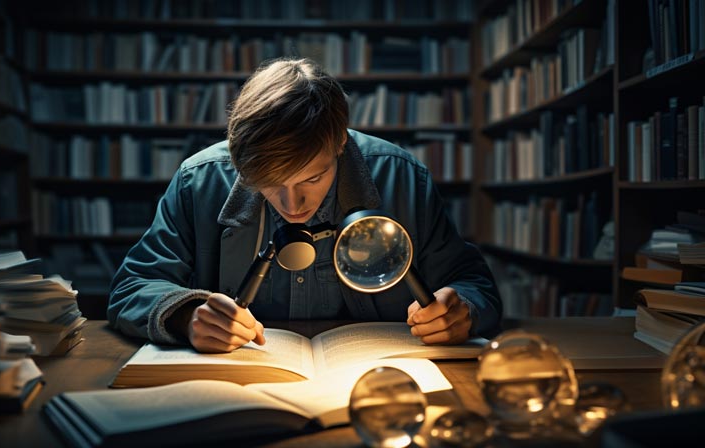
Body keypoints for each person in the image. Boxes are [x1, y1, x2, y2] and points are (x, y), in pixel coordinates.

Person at [108, 58, 502, 353]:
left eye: (312, 178)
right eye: (270, 183)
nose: (292, 204)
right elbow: (131, 288)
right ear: (240, 163)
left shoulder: (402, 179)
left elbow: (475, 285)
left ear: (340, 144)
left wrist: (461, 309)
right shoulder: (201, 180)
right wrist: (185, 314)